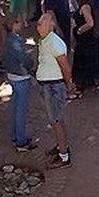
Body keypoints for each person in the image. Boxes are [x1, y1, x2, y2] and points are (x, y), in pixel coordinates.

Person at [35, 10, 77, 166]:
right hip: (48, 85)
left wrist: (69, 84)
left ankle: (64, 155)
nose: (37, 26)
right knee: (55, 120)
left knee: (56, 120)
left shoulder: (53, 42)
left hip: (53, 86)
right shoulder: (45, 39)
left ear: (50, 25)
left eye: (41, 23)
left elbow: (65, 68)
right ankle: (62, 146)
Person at [2, 21, 39, 151]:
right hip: (20, 76)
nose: (21, 24)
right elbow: (24, 59)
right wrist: (31, 63)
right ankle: (21, 141)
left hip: (12, 75)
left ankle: (16, 136)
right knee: (21, 111)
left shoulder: (7, 40)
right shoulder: (15, 42)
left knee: (15, 107)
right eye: (17, 22)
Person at [70, 0, 99, 90]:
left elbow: (90, 23)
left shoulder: (85, 7)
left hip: (86, 40)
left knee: (86, 61)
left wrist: (79, 30)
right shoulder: (83, 5)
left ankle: (87, 83)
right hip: (85, 41)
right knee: (90, 61)